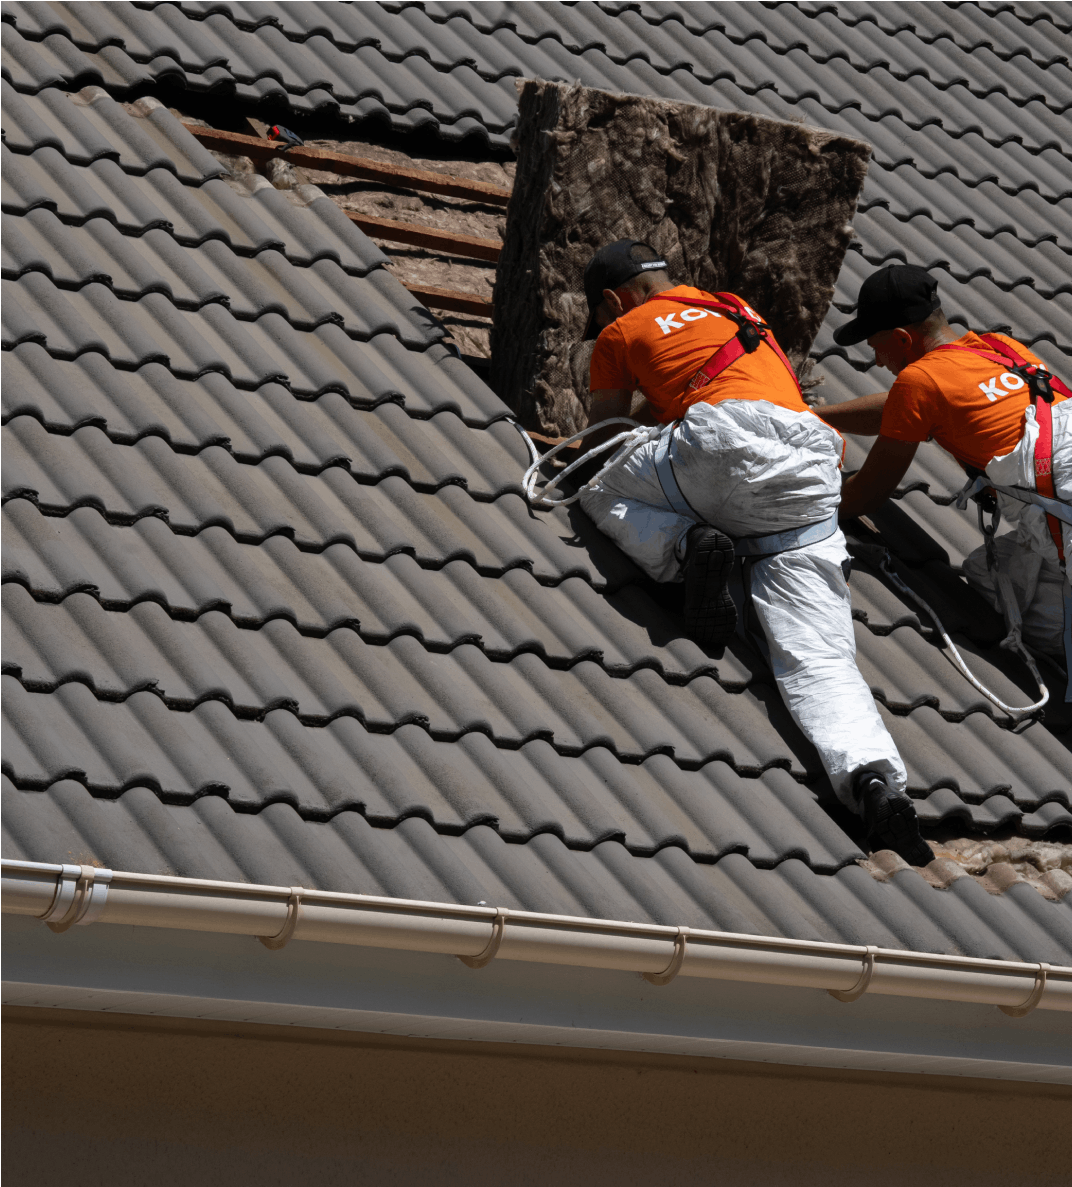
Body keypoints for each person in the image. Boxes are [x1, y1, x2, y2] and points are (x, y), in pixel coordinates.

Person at [576, 239, 930, 865]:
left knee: (601, 487)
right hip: (809, 464)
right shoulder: (736, 306)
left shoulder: (621, 331)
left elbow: (602, 434)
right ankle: (874, 779)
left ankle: (686, 549)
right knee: (819, 653)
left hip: (721, 445)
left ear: (612, 299)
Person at [821, 264, 1072, 688]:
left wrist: (793, 503)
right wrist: (816, 417)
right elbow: (902, 409)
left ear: (902, 339)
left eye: (876, 347)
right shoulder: (1000, 348)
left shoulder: (921, 381)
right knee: (995, 574)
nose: (877, 361)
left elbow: (867, 494)